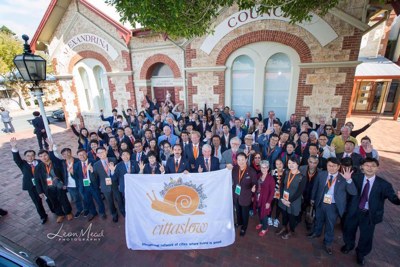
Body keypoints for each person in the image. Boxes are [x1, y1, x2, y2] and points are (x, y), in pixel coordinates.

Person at [341, 158, 400, 265]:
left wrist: (399, 199)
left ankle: (361, 253)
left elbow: (394, 199)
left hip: (369, 214)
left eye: (373, 166)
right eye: (367, 165)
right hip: (354, 210)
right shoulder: (355, 178)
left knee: (366, 236)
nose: (370, 168)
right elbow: (347, 192)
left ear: (377, 168)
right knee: (349, 230)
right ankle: (349, 245)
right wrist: (347, 180)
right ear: (362, 167)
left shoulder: (384, 185)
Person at [309, 157, 357, 255]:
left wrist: (349, 180)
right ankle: (316, 233)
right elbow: (315, 187)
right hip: (320, 202)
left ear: (338, 167)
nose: (331, 168)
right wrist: (312, 199)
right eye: (329, 165)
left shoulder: (343, 178)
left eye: (334, 166)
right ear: (326, 165)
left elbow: (353, 192)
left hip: (333, 206)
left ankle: (328, 243)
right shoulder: (322, 174)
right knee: (318, 219)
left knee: (330, 224)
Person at [10, 137, 48, 224]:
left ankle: (56, 211)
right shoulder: (22, 164)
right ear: (25, 157)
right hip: (31, 187)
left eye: (32, 155)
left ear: (35, 156)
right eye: (28, 156)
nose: (30, 157)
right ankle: (43, 216)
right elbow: (16, 158)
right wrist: (14, 148)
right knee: (37, 203)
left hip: (43, 185)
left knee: (49, 199)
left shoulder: (40, 162)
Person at [34, 150, 73, 223]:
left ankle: (68, 212)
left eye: (45, 155)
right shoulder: (38, 167)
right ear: (39, 158)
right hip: (48, 188)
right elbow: (37, 180)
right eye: (41, 156)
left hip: (59, 185)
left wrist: (64, 183)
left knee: (64, 199)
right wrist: (40, 191)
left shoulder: (55, 163)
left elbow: (63, 173)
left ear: (48, 155)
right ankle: (60, 214)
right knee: (54, 202)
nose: (44, 157)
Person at [90, 147, 123, 223]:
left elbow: (118, 173)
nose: (101, 154)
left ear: (106, 152)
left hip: (115, 185)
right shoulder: (95, 165)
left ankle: (123, 211)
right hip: (105, 187)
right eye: (99, 153)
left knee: (120, 200)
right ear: (97, 155)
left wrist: (113, 172)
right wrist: (91, 172)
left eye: (103, 152)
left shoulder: (113, 160)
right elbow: (94, 179)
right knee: (110, 202)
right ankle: (114, 214)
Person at [276, 156, 306, 239]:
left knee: (291, 217)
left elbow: (299, 192)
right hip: (283, 198)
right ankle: (284, 227)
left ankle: (291, 231)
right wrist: (282, 198)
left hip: (293, 201)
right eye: (289, 163)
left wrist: (289, 201)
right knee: (284, 215)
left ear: (297, 164)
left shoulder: (302, 177)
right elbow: (281, 185)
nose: (291, 165)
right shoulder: (286, 172)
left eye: (293, 163)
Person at [74, 149, 106, 222]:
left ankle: (102, 212)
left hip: (93, 185)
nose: (82, 156)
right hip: (84, 186)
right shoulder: (76, 165)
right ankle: (93, 212)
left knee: (98, 199)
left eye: (83, 154)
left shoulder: (94, 162)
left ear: (87, 154)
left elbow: (98, 174)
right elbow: (76, 177)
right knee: (88, 200)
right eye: (80, 155)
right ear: (78, 156)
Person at [231, 152, 258, 236]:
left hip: (246, 196)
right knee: (238, 211)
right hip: (236, 195)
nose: (241, 161)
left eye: (242, 159)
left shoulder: (251, 171)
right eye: (239, 160)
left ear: (246, 160)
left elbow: (255, 182)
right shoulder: (234, 169)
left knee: (245, 213)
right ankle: (239, 223)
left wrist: (254, 186)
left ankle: (244, 227)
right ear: (236, 160)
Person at [299, 155, 320, 231]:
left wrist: (314, 198)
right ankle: (298, 219)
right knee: (300, 208)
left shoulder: (320, 172)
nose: (312, 164)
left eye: (314, 163)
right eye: (310, 162)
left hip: (312, 195)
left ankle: (308, 223)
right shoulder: (301, 168)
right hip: (302, 194)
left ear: (317, 163)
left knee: (310, 211)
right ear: (308, 161)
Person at [255, 160, 275, 237]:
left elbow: (272, 192)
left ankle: (265, 228)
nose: (263, 169)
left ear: (268, 168)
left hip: (265, 200)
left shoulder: (271, 179)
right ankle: (261, 223)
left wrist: (268, 202)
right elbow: (256, 185)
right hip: (258, 198)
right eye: (262, 167)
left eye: (265, 167)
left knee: (264, 214)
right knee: (259, 211)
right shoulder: (259, 175)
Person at [270, 158, 285, 228]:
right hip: (274, 192)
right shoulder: (273, 172)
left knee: (279, 205)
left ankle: (276, 218)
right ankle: (269, 217)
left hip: (281, 192)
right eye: (277, 164)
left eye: (280, 163)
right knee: (271, 204)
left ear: (283, 164)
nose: (279, 165)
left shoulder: (286, 172)